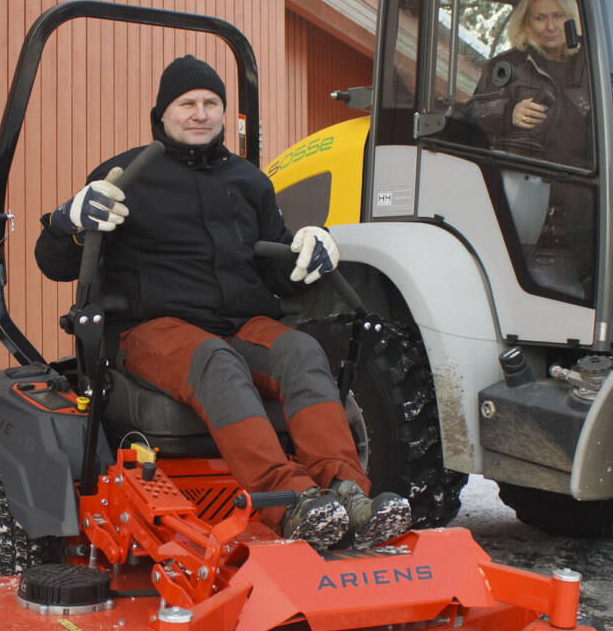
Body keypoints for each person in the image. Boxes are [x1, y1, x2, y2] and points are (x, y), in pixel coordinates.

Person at [35, 54, 410, 549]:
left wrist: (310, 251)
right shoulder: (125, 175)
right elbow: (55, 262)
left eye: (211, 103)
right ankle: (291, 500)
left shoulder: (249, 182)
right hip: (151, 328)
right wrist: (69, 220)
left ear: (224, 113)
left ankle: (347, 493)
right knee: (217, 360)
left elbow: (278, 273)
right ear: (163, 114)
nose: (200, 113)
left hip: (237, 321)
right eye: (187, 103)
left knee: (300, 350)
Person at [467, 0, 591, 166]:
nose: (551, 27)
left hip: (582, 177)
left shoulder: (593, 68)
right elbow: (474, 113)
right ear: (526, 24)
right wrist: (510, 113)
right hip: (525, 175)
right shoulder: (508, 65)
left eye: (558, 16)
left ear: (572, 19)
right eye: (540, 18)